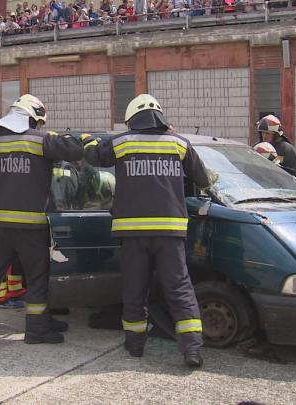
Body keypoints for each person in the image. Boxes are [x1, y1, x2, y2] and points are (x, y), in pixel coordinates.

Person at [82, 94, 214, 367]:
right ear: (161, 118)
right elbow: (204, 180)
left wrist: (87, 139)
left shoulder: (121, 143)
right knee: (179, 288)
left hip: (132, 234)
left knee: (134, 288)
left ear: (132, 120)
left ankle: (135, 346)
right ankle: (192, 350)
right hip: (170, 234)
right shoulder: (179, 144)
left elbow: (95, 156)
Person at [0, 94, 83, 344]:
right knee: (37, 276)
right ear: (32, 118)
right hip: (31, 227)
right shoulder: (41, 141)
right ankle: (37, 330)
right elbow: (74, 150)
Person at [256, 115, 296, 179]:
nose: (264, 136)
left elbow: (293, 175)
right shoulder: (257, 147)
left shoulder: (287, 150)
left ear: (276, 135)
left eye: (267, 133)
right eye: (262, 133)